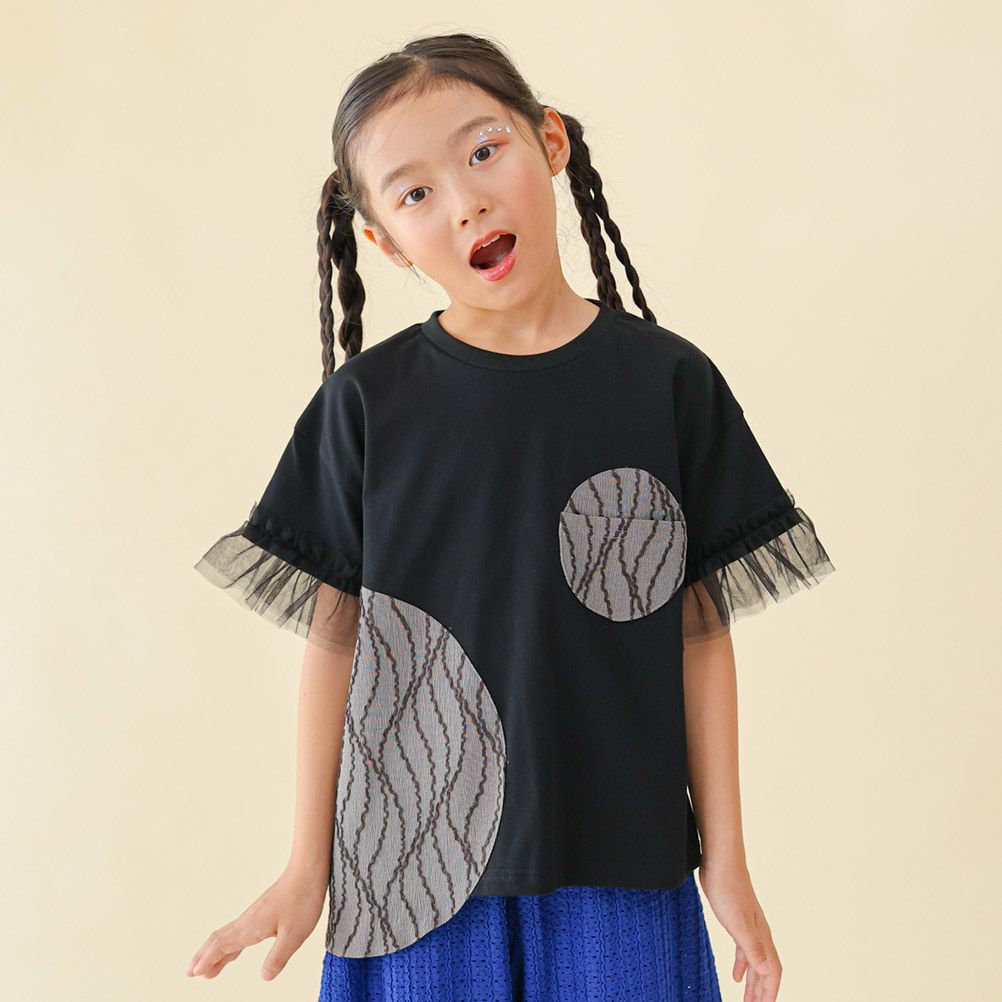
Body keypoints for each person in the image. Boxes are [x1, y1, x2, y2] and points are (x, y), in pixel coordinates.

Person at [184, 31, 836, 1002]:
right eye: (415, 193)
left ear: (551, 142)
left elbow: (698, 634)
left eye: (484, 151)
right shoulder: (367, 407)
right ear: (382, 240)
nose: (466, 202)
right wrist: (304, 867)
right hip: (412, 874)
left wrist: (727, 861)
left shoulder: (667, 383)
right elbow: (336, 641)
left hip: (622, 862)